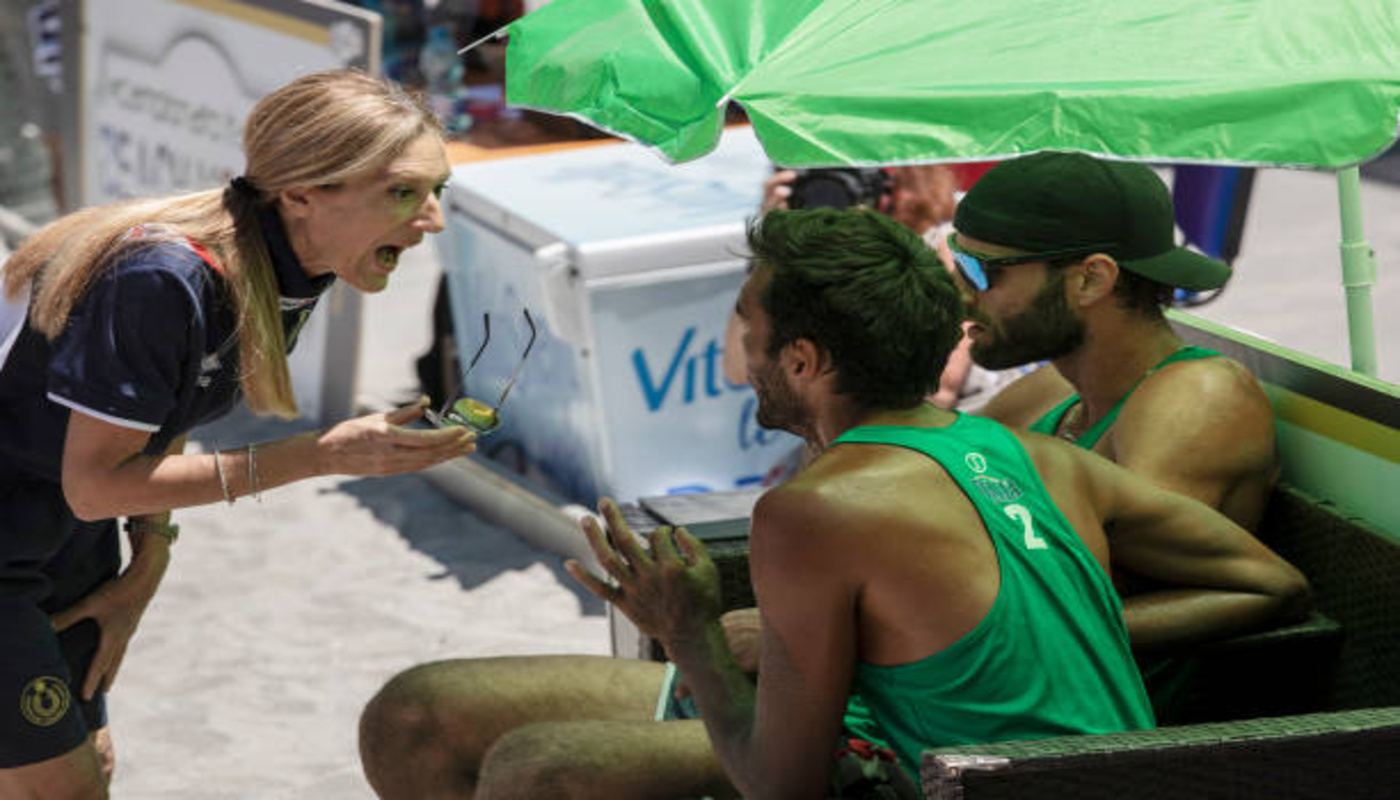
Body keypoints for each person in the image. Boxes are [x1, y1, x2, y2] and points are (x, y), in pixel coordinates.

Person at [358, 209, 1308, 798]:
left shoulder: (818, 512)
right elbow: (1266, 578)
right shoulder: (1022, 447)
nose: (739, 347)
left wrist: (685, 628)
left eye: (750, 327)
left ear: (804, 363)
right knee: (416, 713)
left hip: (966, 783)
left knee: (540, 770)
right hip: (934, 736)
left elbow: (784, 783)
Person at [0, 69, 477, 797]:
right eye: (403, 192)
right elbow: (96, 485)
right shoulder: (161, 277)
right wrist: (321, 455)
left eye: (437, 189)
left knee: (87, 767)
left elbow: (161, 422)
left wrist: (147, 562)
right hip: (33, 527)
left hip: (53, 531)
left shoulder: (284, 262)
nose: (432, 218)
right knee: (58, 787)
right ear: (302, 194)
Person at [946, 152, 1281, 713]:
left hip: (1080, 743)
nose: (961, 294)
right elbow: (919, 485)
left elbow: (1080, 589)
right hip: (999, 700)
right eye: (957, 266)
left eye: (981, 272)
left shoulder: (1197, 397)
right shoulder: (1050, 394)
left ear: (1091, 279)